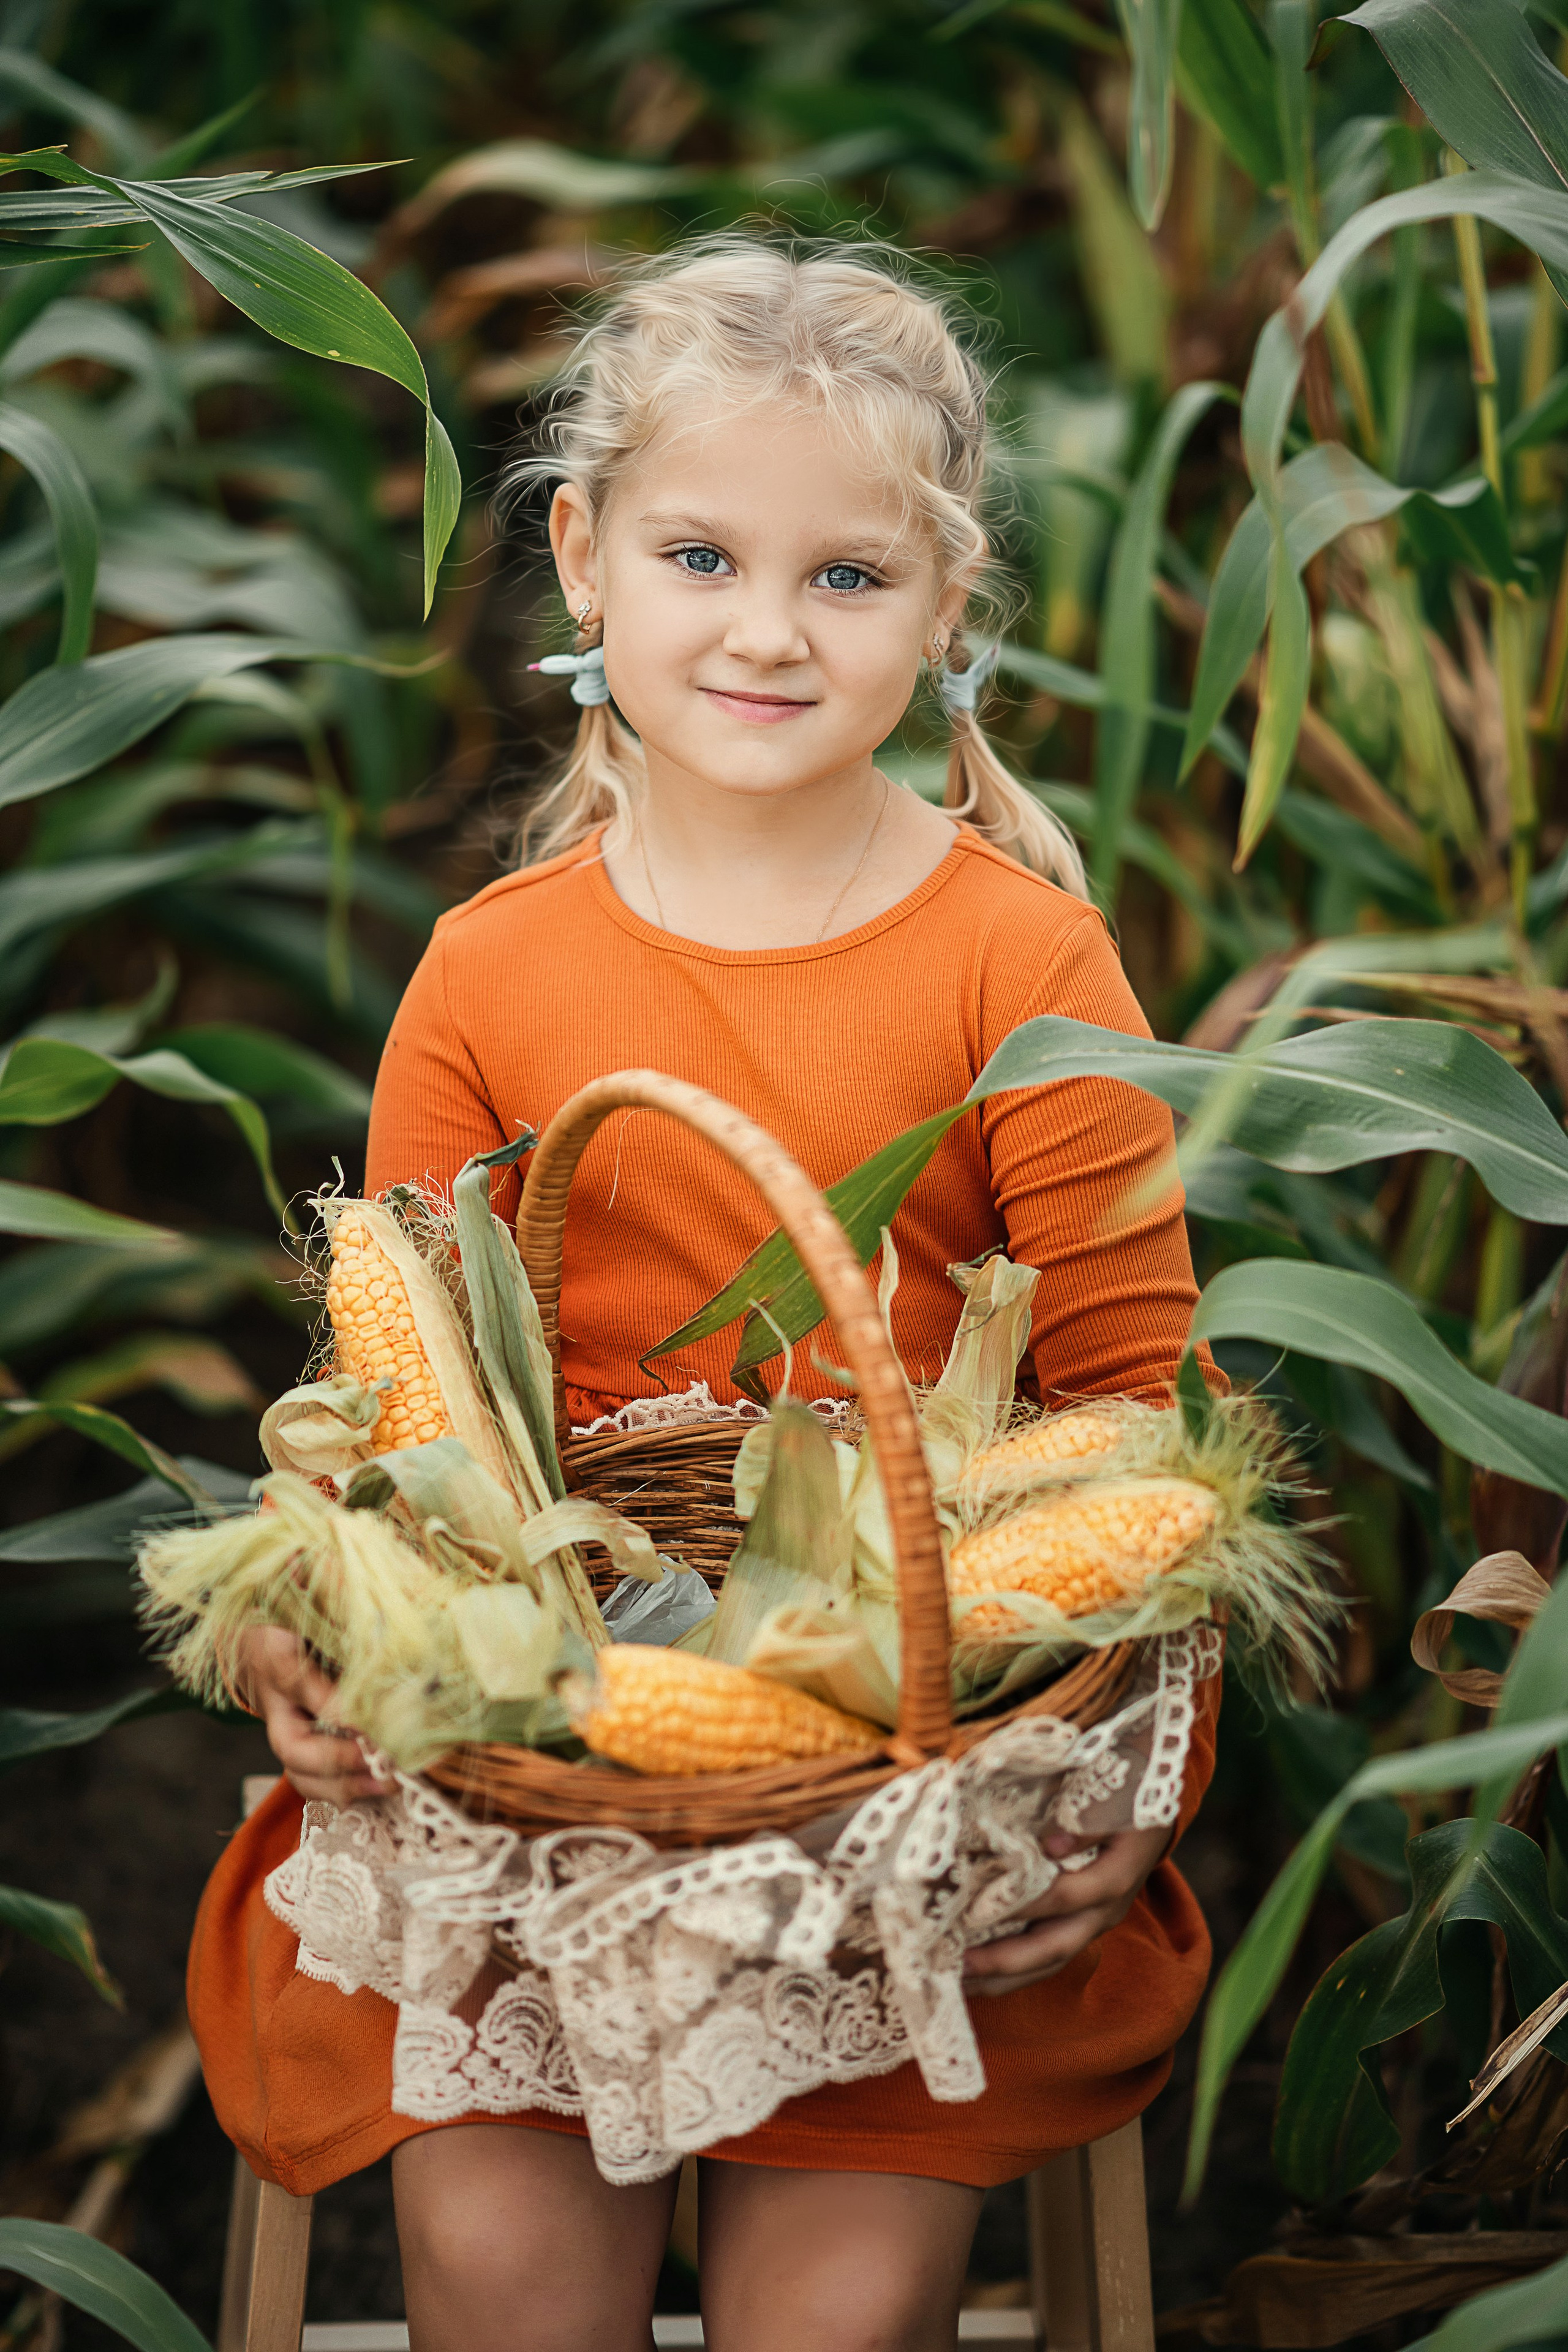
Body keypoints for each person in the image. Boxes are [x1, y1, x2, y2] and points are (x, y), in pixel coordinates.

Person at [192, 236, 1220, 2352]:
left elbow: (1141, 1419)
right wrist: (304, 1618)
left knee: (833, 2317)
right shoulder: (492, 973)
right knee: (498, 2264)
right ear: (583, 561)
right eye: (698, 557)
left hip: (908, 1799)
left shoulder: (1024, 970)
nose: (766, 629)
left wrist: (1128, 1784)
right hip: (548, 1787)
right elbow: (400, 1401)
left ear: (947, 607)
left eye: (848, 576)